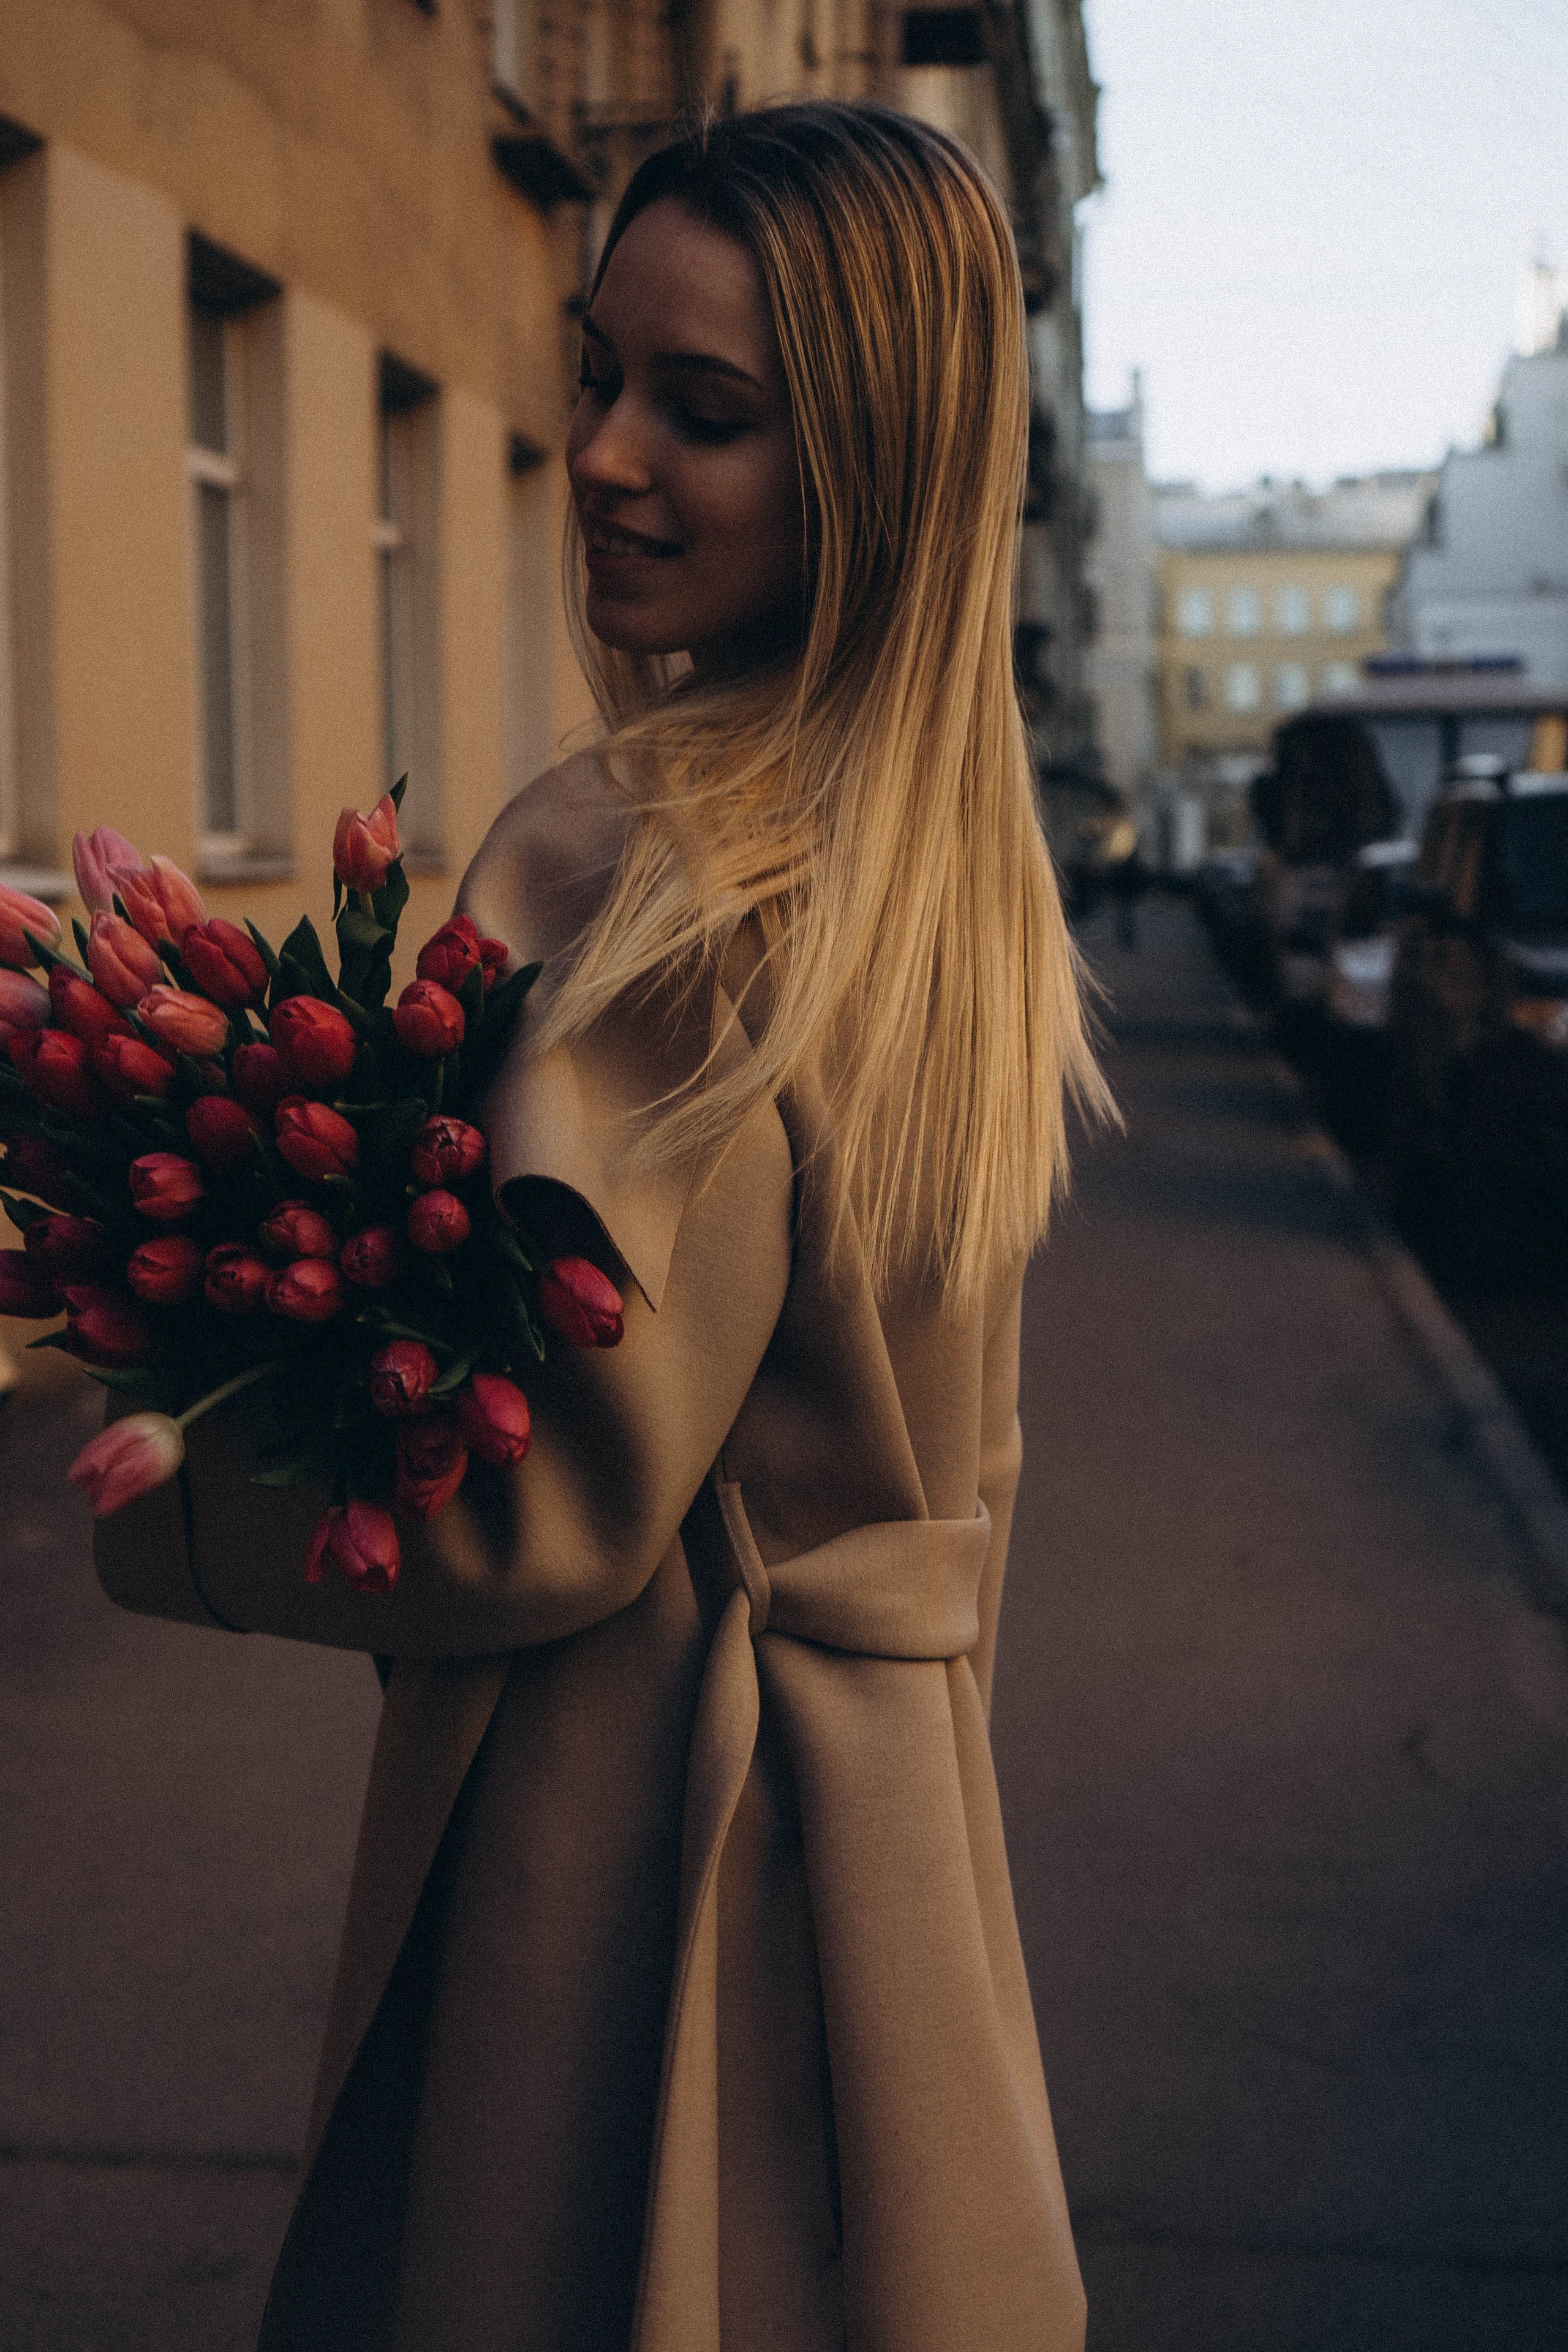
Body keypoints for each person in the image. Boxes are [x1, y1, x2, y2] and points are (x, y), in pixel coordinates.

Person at [97, 100, 1109, 2351]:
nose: (610, 456)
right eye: (601, 375)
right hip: (900, 1821)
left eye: (711, 412)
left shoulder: (663, 858)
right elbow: (980, 1465)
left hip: (644, 1834)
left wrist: (171, 1441)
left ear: (875, 465)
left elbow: (533, 1497)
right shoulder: (952, 870)